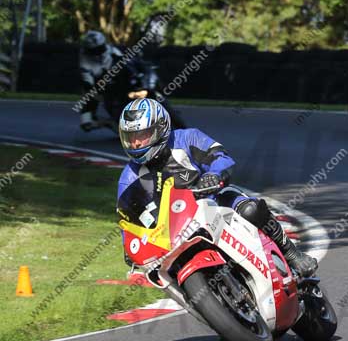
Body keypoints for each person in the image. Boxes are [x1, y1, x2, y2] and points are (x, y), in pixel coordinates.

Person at [117, 97, 317, 277]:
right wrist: (130, 247)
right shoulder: (129, 176)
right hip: (174, 230)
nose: (135, 143)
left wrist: (213, 175)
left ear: (160, 128)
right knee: (165, 274)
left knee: (250, 209)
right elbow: (127, 218)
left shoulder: (187, 138)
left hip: (213, 201)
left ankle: (292, 253)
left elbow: (220, 156)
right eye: (130, 137)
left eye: (141, 135)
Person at [78, 30, 184, 131]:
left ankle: (166, 107)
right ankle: (104, 121)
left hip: (126, 82)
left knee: (148, 81)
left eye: (99, 48)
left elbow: (131, 61)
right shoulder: (85, 61)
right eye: (94, 50)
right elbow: (87, 80)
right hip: (108, 88)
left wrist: (142, 69)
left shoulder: (112, 50)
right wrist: (96, 88)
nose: (97, 52)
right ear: (88, 50)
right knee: (88, 115)